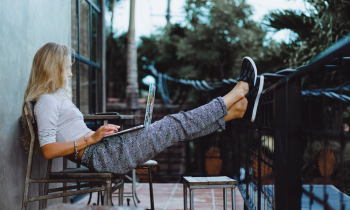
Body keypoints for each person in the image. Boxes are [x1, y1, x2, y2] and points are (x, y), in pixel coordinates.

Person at [22, 42, 264, 174]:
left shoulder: (53, 98)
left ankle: (234, 111)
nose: (71, 73)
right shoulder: (46, 102)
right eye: (66, 67)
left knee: (176, 127)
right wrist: (92, 139)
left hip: (105, 149)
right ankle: (237, 93)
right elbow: (48, 150)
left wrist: (98, 136)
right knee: (173, 124)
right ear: (52, 68)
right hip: (104, 157)